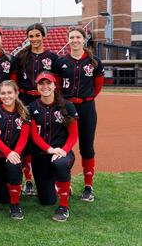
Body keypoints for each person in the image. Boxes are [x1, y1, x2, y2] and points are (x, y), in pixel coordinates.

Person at [53, 26, 104, 202]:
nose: (74, 40)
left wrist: (85, 99)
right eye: (71, 37)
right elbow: (57, 87)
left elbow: (97, 86)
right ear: (68, 40)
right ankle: (60, 181)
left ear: (84, 39)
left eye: (77, 37)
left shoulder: (94, 61)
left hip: (86, 107)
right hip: (66, 107)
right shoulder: (60, 62)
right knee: (60, 143)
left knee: (87, 147)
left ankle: (88, 186)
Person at [28, 72, 79, 222]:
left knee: (60, 163)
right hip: (42, 155)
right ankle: (61, 186)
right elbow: (34, 135)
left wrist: (63, 150)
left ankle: (64, 207)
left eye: (48, 83)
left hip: (62, 153)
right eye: (41, 84)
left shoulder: (67, 106)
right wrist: (49, 149)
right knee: (46, 201)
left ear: (54, 85)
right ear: (37, 86)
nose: (45, 87)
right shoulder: (32, 107)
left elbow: (73, 134)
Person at [15, 23, 58, 196]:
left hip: (44, 99)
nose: (34, 39)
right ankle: (28, 181)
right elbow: (15, 79)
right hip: (25, 99)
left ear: (43, 36)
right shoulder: (21, 56)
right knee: (25, 140)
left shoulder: (52, 58)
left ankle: (54, 178)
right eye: (31, 36)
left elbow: (57, 82)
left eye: (37, 35)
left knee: (46, 136)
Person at [0, 80, 30, 220]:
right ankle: (4, 188)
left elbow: (23, 138)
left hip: (15, 156)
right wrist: (8, 152)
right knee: (1, 199)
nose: (6, 96)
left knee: (13, 165)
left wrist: (14, 154)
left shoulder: (24, 112)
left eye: (10, 92)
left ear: (16, 93)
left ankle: (15, 205)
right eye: (3, 93)